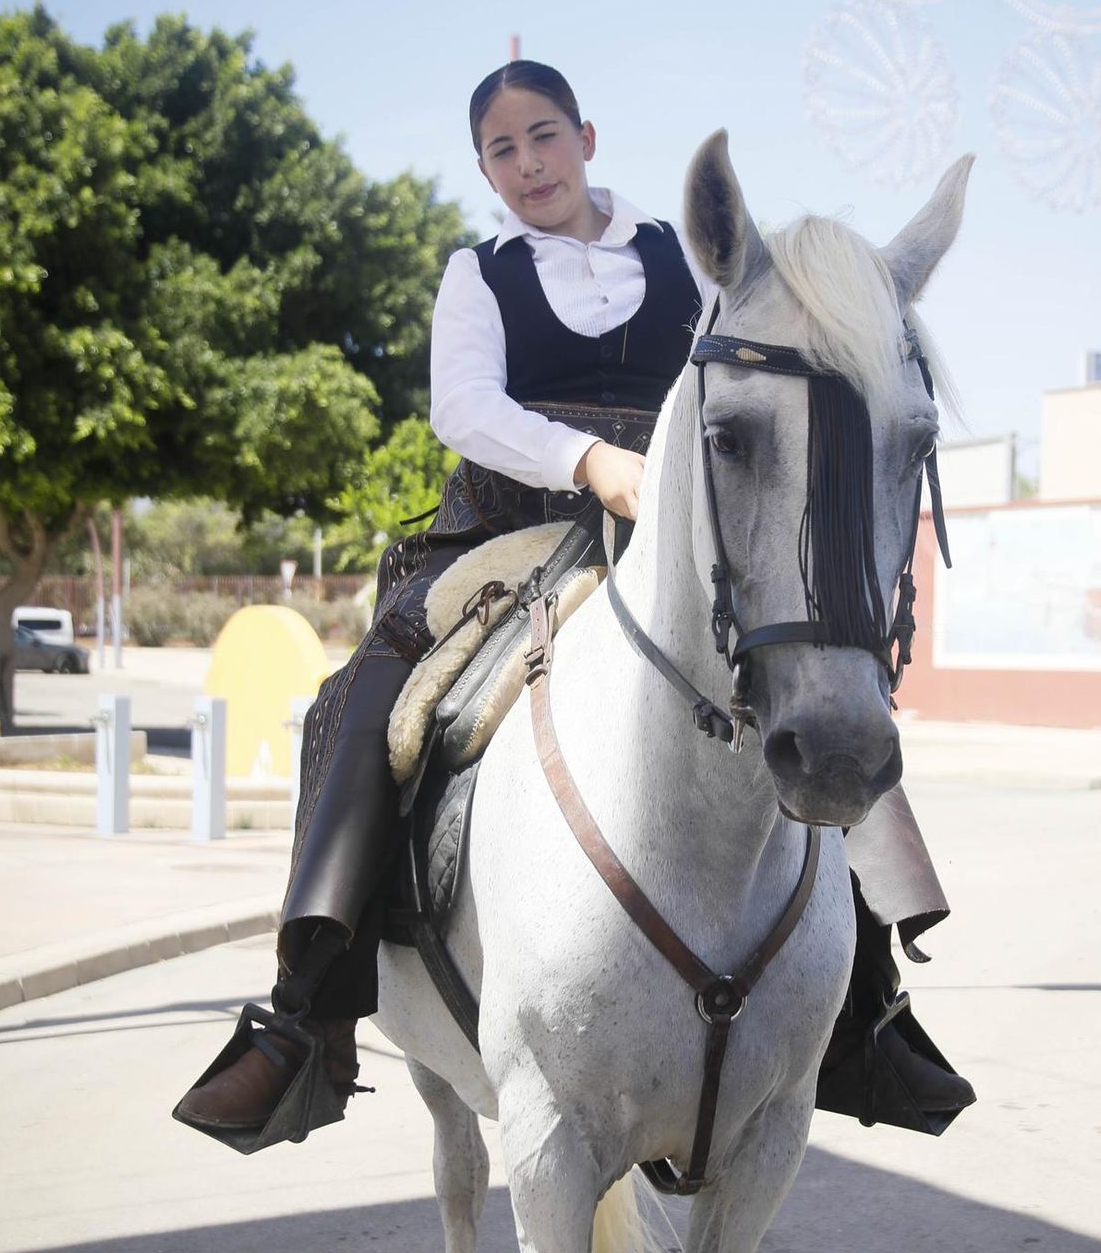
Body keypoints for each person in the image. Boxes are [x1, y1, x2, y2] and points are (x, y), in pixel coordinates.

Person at [175, 61, 971, 1147]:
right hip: (508, 527)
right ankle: (309, 1009)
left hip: (680, 522)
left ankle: (865, 1006)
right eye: (500, 151)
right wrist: (590, 462)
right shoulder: (479, 273)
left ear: (585, 137)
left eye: (543, 136)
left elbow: (755, 382)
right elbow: (463, 407)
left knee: (813, 673)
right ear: (485, 170)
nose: (527, 164)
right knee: (362, 697)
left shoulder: (686, 256)